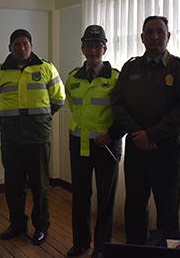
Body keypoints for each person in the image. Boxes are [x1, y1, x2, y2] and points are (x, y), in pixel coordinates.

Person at [110, 15, 180, 245]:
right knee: (135, 205)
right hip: (136, 146)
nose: (155, 36)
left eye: (160, 32)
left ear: (168, 36)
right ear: (142, 37)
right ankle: (135, 250)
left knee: (168, 208)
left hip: (167, 149)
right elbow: (117, 104)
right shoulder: (129, 68)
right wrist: (138, 133)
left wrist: (152, 134)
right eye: (150, 32)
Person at [0, 29, 65, 245]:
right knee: (13, 186)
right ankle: (17, 224)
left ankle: (41, 227)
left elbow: (58, 99)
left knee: (40, 186)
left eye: (25, 44)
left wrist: (38, 120)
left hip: (38, 137)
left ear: (31, 46)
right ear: (10, 47)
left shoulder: (46, 68)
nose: (21, 48)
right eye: (16, 44)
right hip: (11, 138)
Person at [65, 25, 123, 258]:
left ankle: (101, 247)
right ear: (82, 48)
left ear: (105, 49)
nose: (93, 50)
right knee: (79, 197)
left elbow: (123, 113)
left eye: (97, 45)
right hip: (79, 145)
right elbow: (73, 107)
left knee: (106, 199)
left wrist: (111, 134)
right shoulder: (72, 78)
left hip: (106, 146)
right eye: (88, 45)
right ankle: (80, 243)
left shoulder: (116, 78)